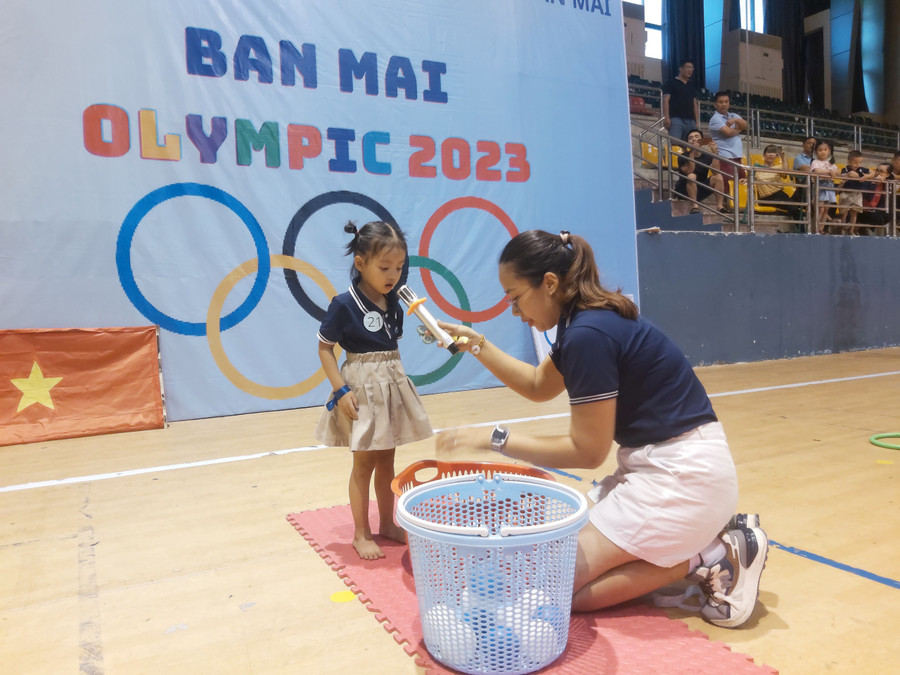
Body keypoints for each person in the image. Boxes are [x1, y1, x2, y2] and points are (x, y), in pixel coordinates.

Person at [434, 230, 768, 629]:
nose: (514, 311)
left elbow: (587, 451)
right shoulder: (587, 320)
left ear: (550, 283)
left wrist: (495, 440)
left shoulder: (587, 335)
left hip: (681, 478)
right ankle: (697, 536)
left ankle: (709, 553)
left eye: (515, 297)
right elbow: (540, 387)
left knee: (554, 588)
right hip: (663, 466)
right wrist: (476, 344)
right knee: (551, 562)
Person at [315, 220, 433, 560]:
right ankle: (360, 532)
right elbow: (325, 349)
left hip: (390, 383)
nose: (393, 274)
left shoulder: (394, 300)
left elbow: (390, 340)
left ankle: (387, 522)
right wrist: (340, 391)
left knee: (387, 460)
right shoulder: (343, 304)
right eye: (384, 267)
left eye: (399, 267)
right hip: (361, 389)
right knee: (363, 463)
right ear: (361, 263)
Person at [708, 92, 748, 214]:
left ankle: (738, 208)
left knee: (741, 183)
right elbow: (729, 133)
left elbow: (746, 125)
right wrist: (738, 128)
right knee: (726, 185)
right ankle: (723, 208)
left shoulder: (733, 115)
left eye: (726, 101)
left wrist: (735, 120)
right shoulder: (715, 119)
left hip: (737, 157)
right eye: (721, 102)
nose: (724, 104)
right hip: (724, 156)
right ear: (715, 104)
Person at [673, 129, 725, 213]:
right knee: (692, 176)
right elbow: (689, 171)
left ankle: (719, 206)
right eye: (690, 138)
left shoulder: (707, 155)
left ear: (702, 140)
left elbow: (715, 171)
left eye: (697, 137)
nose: (694, 139)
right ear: (687, 143)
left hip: (700, 187)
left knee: (718, 177)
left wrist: (715, 154)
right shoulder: (683, 156)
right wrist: (692, 154)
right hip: (684, 188)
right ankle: (694, 206)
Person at [754, 145, 802, 227]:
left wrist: (783, 158)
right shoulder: (756, 168)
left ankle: (802, 231)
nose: (771, 154)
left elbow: (785, 173)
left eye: (774, 153)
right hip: (766, 197)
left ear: (776, 156)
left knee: (797, 203)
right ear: (764, 155)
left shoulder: (778, 167)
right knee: (794, 208)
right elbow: (751, 178)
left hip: (779, 195)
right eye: (769, 152)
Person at [662, 60, 701, 148]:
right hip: (676, 119)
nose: (690, 70)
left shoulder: (692, 86)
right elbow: (666, 100)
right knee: (675, 146)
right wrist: (667, 117)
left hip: (691, 121)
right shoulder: (671, 83)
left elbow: (694, 104)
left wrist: (697, 122)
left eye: (692, 68)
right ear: (681, 69)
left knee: (691, 147)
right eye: (688, 67)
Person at [810, 140, 840, 233]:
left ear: (829, 151)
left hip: (829, 187)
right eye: (820, 150)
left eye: (825, 150)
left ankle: (821, 229)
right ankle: (814, 228)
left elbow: (838, 171)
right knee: (820, 209)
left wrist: (836, 171)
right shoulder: (815, 162)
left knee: (826, 209)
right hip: (820, 186)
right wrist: (829, 172)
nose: (823, 152)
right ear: (815, 152)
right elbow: (817, 171)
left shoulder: (830, 163)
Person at [838, 150, 870, 234]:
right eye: (855, 162)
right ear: (849, 161)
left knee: (854, 213)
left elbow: (873, 173)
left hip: (857, 193)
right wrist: (848, 174)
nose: (857, 165)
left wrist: (867, 176)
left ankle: (851, 230)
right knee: (844, 211)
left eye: (859, 162)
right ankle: (842, 228)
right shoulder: (845, 169)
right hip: (846, 192)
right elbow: (841, 176)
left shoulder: (861, 170)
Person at [858, 162, 893, 231]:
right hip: (862, 211)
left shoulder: (886, 184)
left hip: (875, 211)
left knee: (889, 216)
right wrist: (874, 183)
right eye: (877, 170)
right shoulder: (868, 181)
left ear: (887, 175)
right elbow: (867, 196)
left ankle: (865, 229)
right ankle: (863, 229)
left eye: (881, 172)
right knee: (877, 218)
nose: (878, 173)